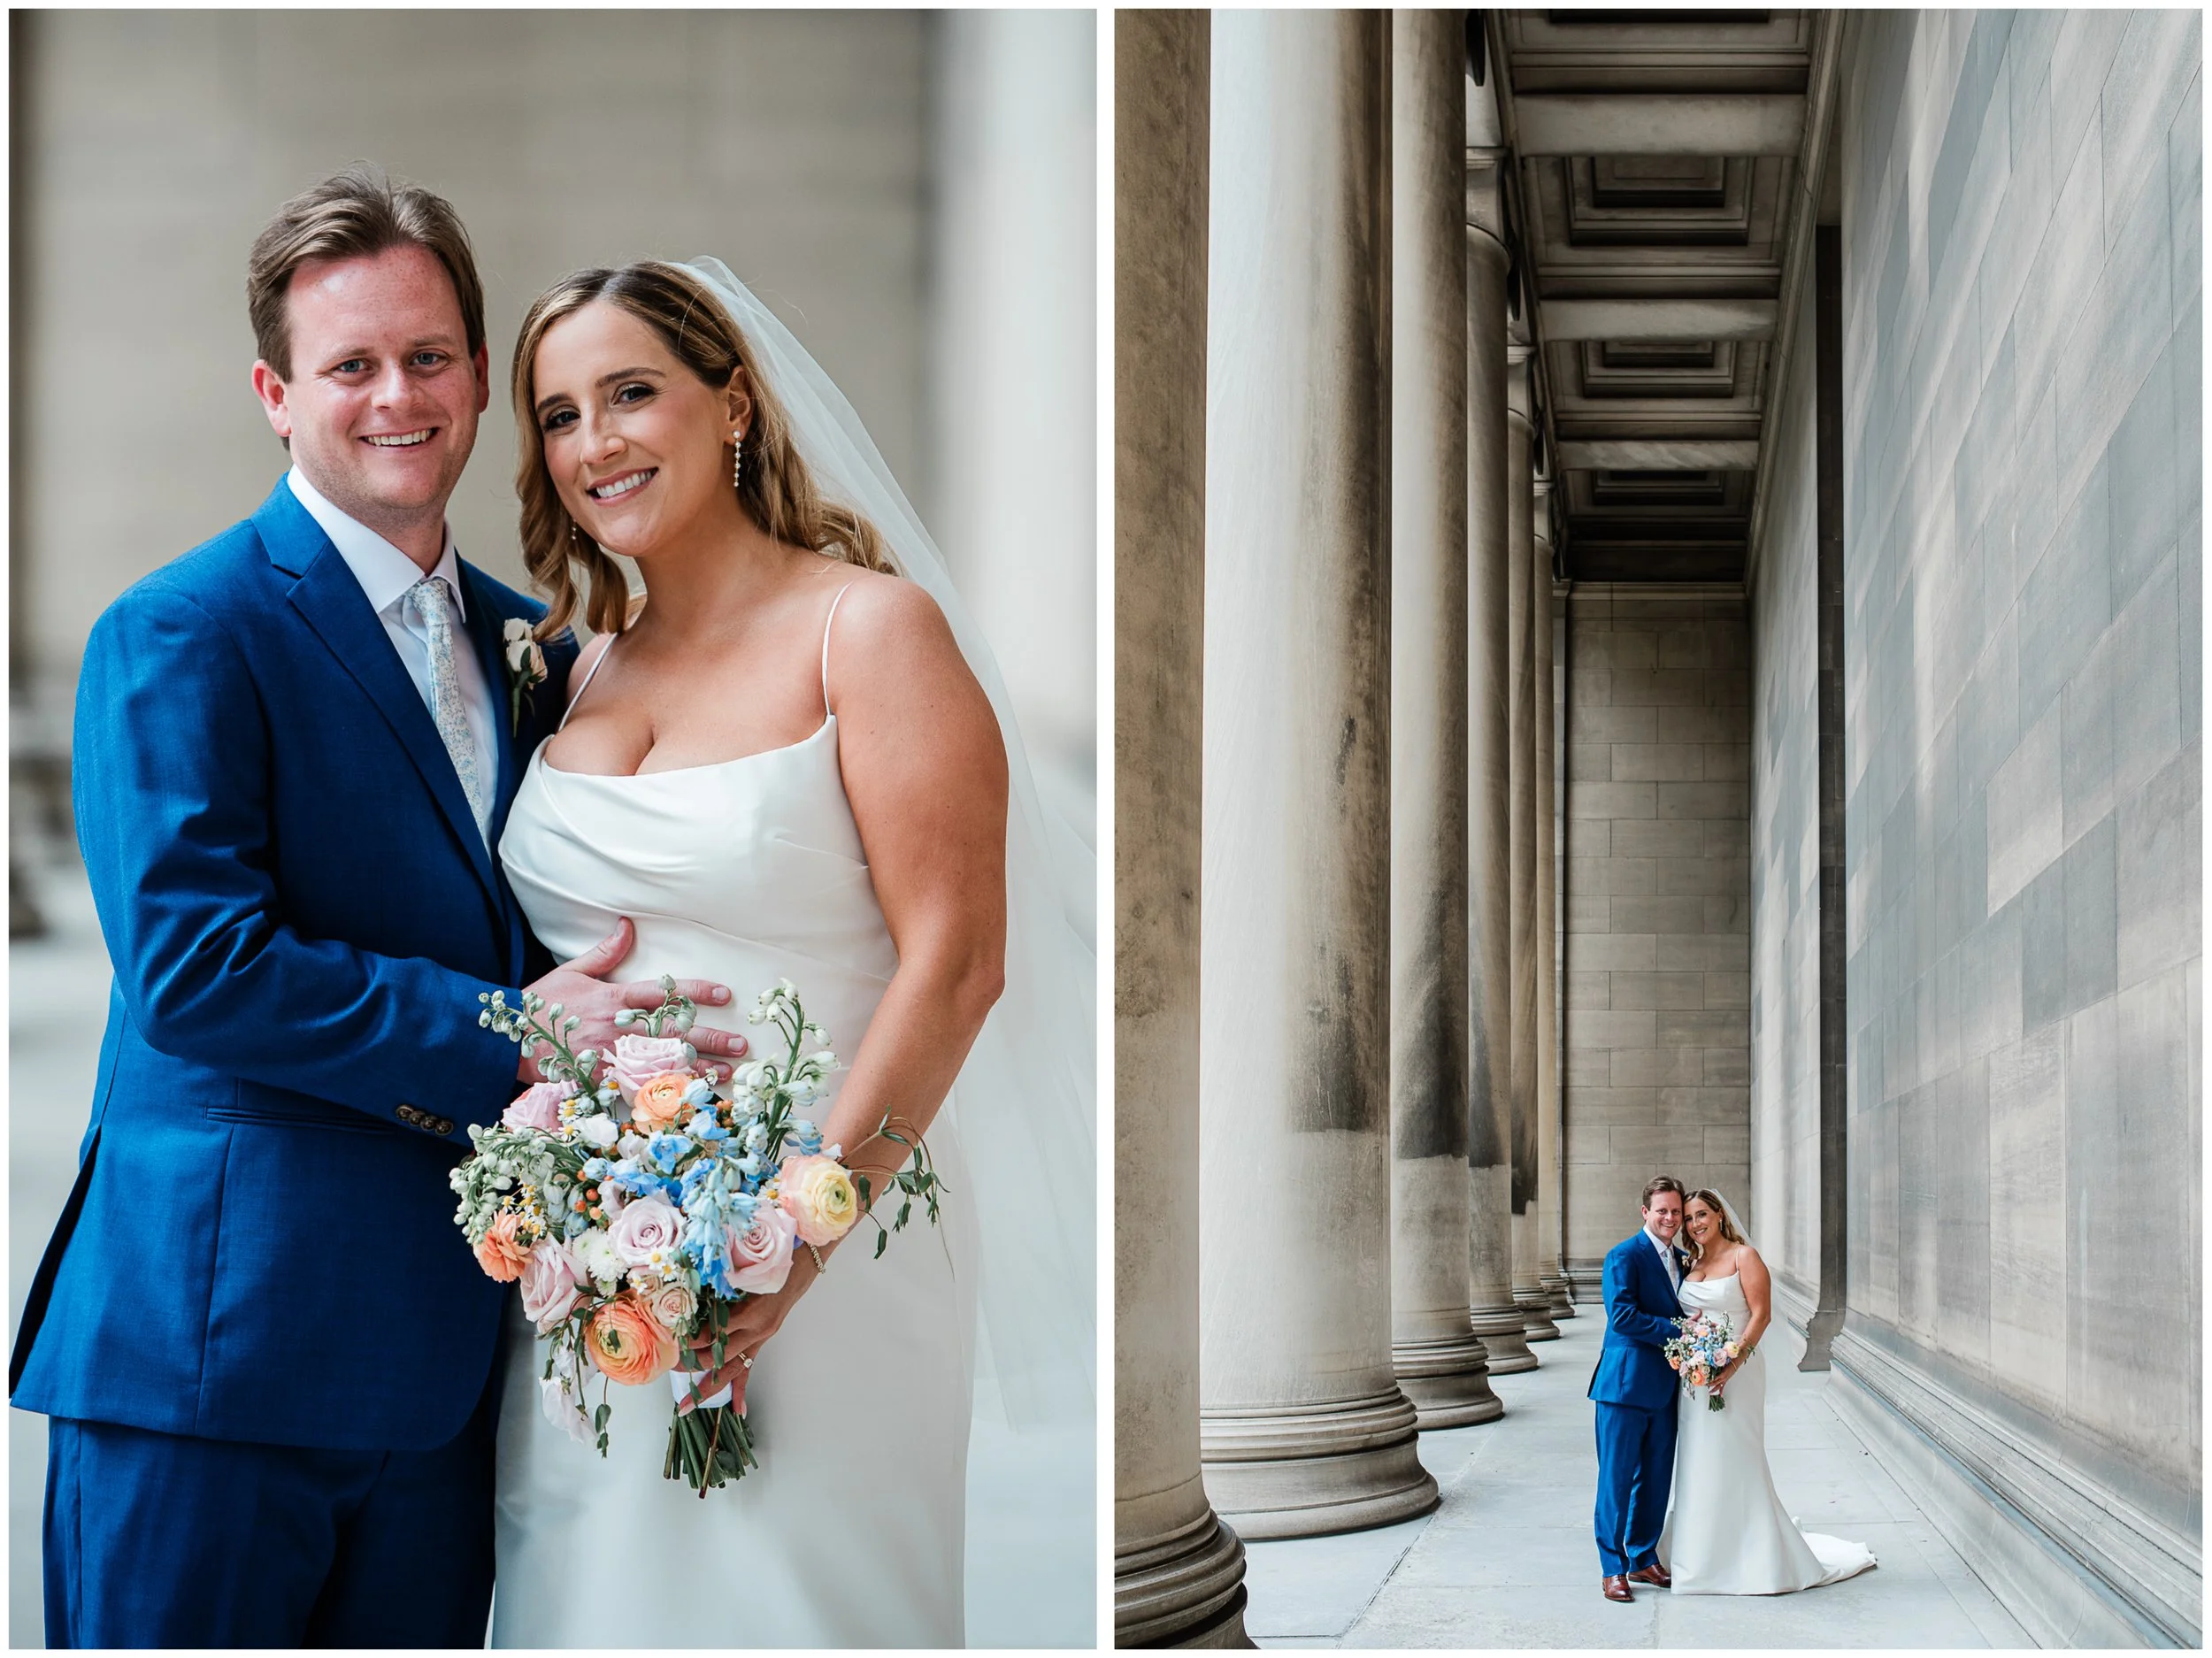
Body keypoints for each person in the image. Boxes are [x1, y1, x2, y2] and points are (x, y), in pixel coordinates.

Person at [7, 167, 754, 1648]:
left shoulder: (534, 644)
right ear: (279, 392)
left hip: (446, 1380)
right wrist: (511, 1028)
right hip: (213, 1359)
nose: (395, 395)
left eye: (427, 357)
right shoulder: (180, 629)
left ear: (480, 375)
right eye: (350, 364)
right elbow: (196, 971)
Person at [486, 257, 1093, 1646]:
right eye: (561, 414)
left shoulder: (865, 632)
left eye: (632, 392)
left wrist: (790, 1240)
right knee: (592, 1593)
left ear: (736, 403)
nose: (597, 442)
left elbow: (958, 959)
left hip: (834, 1233)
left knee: (800, 1599)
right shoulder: (572, 668)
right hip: (593, 1245)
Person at [1658, 1189, 1877, 1593]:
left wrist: (1732, 1362)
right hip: (1696, 1377)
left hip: (1738, 1372)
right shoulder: (1692, 1262)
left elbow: (1761, 1315)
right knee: (1697, 1457)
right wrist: (1693, 1352)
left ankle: (1753, 1554)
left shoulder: (1745, 1258)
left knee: (1735, 1453)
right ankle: (1699, 1551)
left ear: (1720, 1214)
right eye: (1688, 1219)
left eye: (1701, 1214)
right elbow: (1689, 1316)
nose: (1694, 1225)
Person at [1589, 1175, 1689, 1603]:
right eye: (1662, 1210)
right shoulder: (1623, 1255)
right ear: (1645, 1212)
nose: (1670, 1218)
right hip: (1624, 1387)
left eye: (1676, 1212)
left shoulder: (1684, 1259)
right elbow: (1623, 1317)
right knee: (1615, 1479)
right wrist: (1679, 1330)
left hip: (1666, 1387)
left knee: (1655, 1477)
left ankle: (1644, 1557)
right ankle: (1613, 1568)